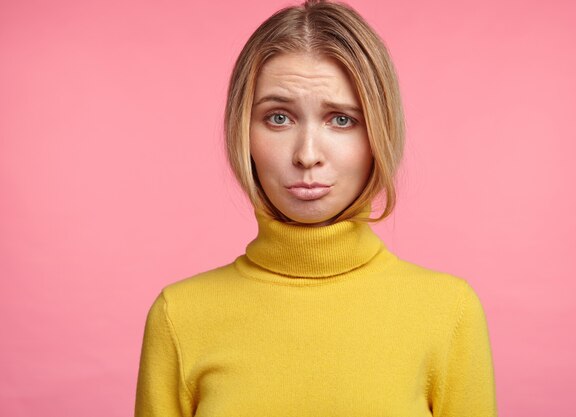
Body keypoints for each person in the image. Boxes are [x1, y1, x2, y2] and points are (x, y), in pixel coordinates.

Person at [134, 0, 497, 416]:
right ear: (242, 130)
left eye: (341, 120)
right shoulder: (179, 316)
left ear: (380, 130)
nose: (307, 156)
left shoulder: (449, 312)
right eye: (278, 118)